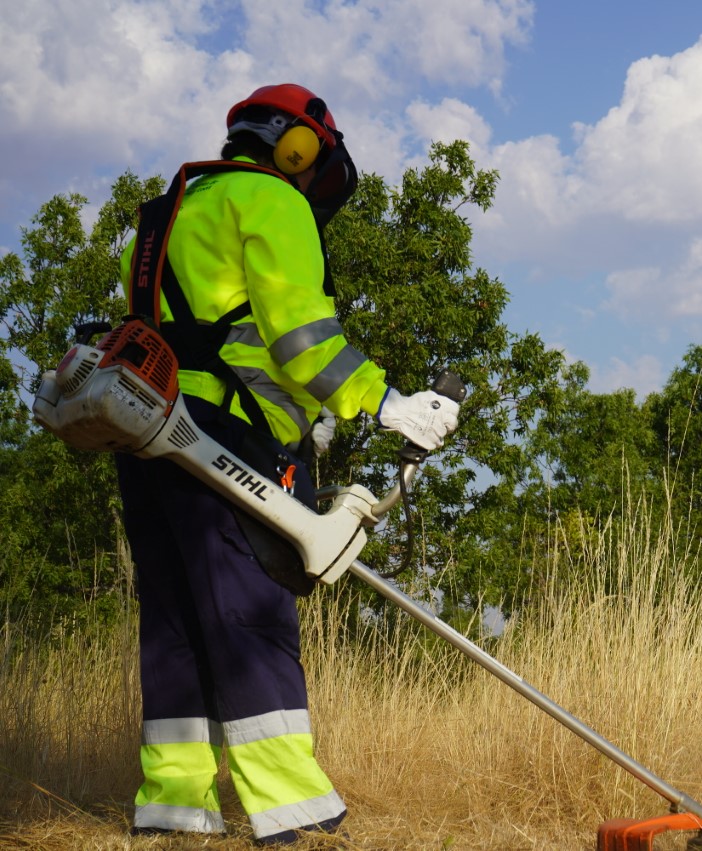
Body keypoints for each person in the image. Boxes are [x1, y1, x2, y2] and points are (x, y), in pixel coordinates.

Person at [115, 83, 459, 844]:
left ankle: (174, 805)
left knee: (176, 621)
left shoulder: (167, 212)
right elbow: (301, 339)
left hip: (146, 432)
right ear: (297, 148)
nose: (316, 182)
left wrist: (303, 420)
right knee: (250, 614)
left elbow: (198, 329)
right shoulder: (272, 200)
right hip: (219, 436)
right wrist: (386, 402)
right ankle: (293, 807)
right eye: (316, 165)